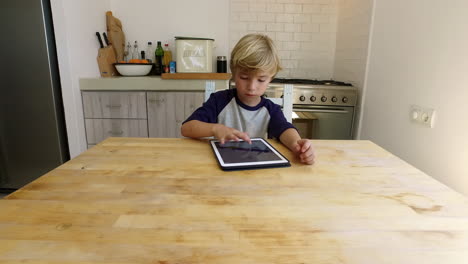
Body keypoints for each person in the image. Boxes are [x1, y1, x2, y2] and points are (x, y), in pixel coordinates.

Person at [181, 34, 315, 165]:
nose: (251, 87)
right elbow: (186, 128)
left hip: (257, 167)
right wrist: (215, 129)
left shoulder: (270, 110)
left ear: (270, 78)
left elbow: (284, 129)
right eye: (244, 77)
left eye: (261, 80)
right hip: (223, 167)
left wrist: (297, 145)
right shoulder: (219, 100)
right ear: (233, 74)